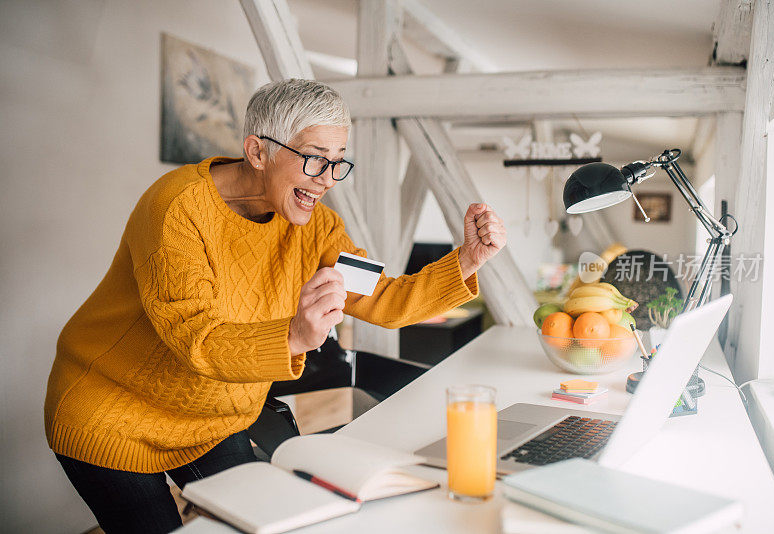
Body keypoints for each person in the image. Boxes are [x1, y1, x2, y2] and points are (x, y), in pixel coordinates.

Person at [44, 79, 507, 533]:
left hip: (214, 420)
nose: (327, 180)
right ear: (258, 151)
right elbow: (197, 339)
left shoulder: (318, 227)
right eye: (313, 160)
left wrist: (467, 259)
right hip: (112, 415)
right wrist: (294, 336)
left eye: (337, 163)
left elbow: (382, 297)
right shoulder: (176, 209)